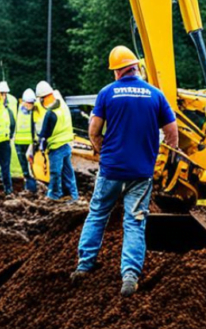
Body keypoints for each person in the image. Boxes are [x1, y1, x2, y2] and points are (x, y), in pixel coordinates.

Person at [72, 46, 178, 297]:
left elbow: (94, 131)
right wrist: (165, 157)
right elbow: (172, 131)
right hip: (141, 173)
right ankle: (129, 275)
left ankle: (84, 266)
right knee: (134, 223)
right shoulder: (155, 95)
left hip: (111, 170)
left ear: (117, 71)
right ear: (136, 67)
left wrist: (102, 151)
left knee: (97, 214)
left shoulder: (107, 93)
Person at [32, 81, 78, 202]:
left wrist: (39, 145)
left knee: (55, 172)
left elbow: (44, 134)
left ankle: (54, 196)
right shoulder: (62, 104)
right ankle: (73, 196)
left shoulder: (50, 114)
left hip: (56, 146)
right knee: (68, 172)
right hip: (66, 144)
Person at [14, 89, 38, 194]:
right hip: (19, 143)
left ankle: (32, 190)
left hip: (30, 144)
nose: (29, 105)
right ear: (23, 101)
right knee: (24, 169)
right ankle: (28, 188)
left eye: (31, 103)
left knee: (32, 168)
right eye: (28, 103)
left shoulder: (36, 112)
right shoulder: (17, 109)